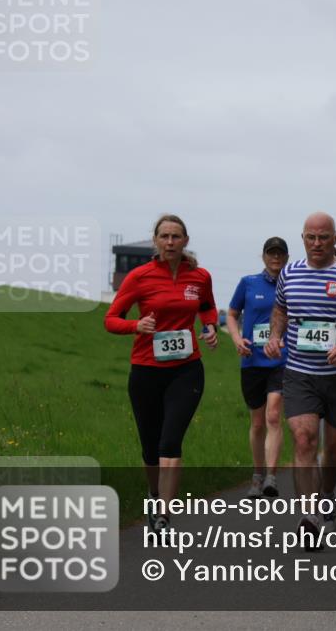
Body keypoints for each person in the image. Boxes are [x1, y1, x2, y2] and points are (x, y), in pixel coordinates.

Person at [264, 212, 336, 547]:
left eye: (323, 237)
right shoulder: (290, 273)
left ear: (335, 239)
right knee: (303, 440)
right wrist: (275, 336)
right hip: (300, 373)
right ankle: (309, 516)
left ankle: (327, 492)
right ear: (302, 238)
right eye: (311, 237)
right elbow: (280, 310)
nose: (316, 244)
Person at [104, 214, 218, 531]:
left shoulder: (200, 276)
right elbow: (111, 319)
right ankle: (154, 494)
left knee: (170, 442)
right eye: (164, 236)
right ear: (155, 240)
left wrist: (209, 327)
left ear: (185, 240)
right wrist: (136, 325)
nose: (170, 242)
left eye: (176, 236)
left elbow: (207, 306)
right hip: (146, 371)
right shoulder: (139, 277)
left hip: (186, 370)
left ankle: (164, 515)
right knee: (150, 447)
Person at [226, 237, 289, 499]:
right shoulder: (248, 283)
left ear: (286, 258)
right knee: (257, 422)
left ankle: (271, 477)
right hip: (252, 360)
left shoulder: (292, 283)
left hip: (281, 360)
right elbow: (231, 314)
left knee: (273, 415)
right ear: (263, 256)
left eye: (280, 254)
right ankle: (257, 474)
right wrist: (236, 338)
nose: (275, 258)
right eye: (271, 253)